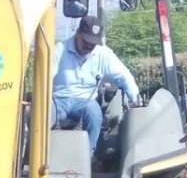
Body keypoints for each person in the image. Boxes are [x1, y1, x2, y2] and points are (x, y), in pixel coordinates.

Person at [51, 15, 140, 156]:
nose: (88, 46)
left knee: (94, 112)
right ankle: (38, 158)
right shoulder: (59, 50)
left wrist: (136, 99)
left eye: (92, 43)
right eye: (86, 41)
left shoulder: (102, 54)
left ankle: (87, 159)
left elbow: (123, 75)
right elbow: (45, 76)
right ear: (78, 33)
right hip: (58, 100)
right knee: (43, 114)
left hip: (85, 102)